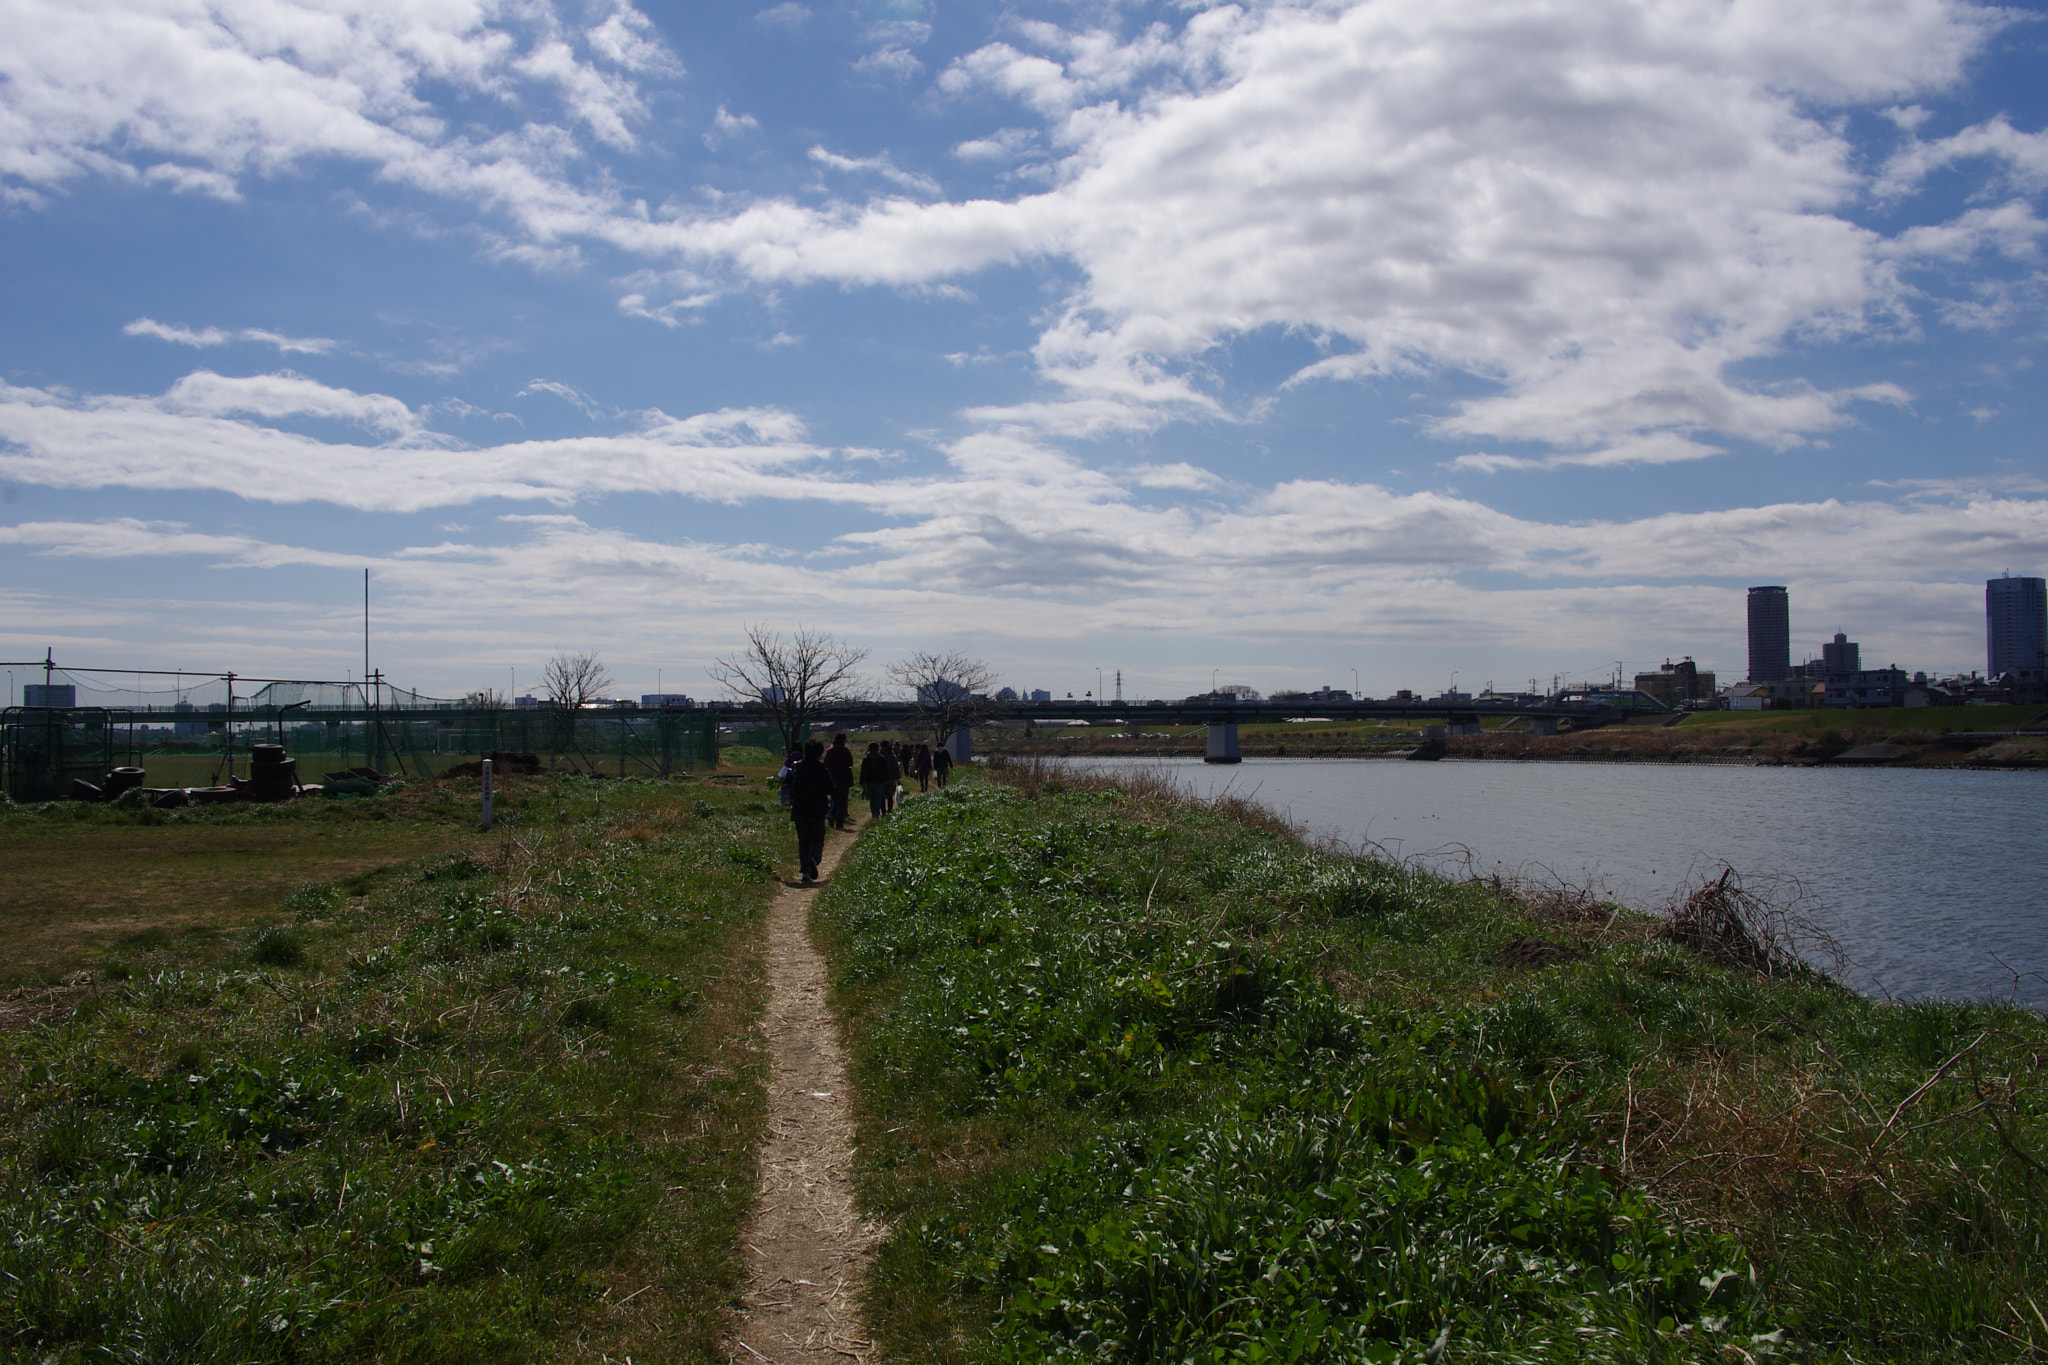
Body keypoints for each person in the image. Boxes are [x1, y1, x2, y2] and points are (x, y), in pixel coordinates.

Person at [787, 738, 834, 883]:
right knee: (817, 839)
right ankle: (813, 859)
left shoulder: (796, 767)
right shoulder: (821, 768)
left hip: (800, 809)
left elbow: (787, 783)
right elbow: (830, 788)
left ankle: (805, 873)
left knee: (803, 841)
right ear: (819, 753)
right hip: (818, 810)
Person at [824, 732, 855, 829]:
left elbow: (826, 763)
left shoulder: (829, 750)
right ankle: (839, 823)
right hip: (844, 777)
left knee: (834, 798)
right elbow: (850, 762)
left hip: (832, 777)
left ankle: (831, 815)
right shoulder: (845, 750)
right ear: (843, 740)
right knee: (842, 800)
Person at [859, 741, 891, 820]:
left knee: (872, 798)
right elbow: (886, 770)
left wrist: (861, 782)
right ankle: (876, 813)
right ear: (878, 748)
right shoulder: (882, 758)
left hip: (869, 781)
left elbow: (863, 771)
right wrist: (887, 779)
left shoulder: (866, 758)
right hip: (879, 781)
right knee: (878, 797)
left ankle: (874, 812)